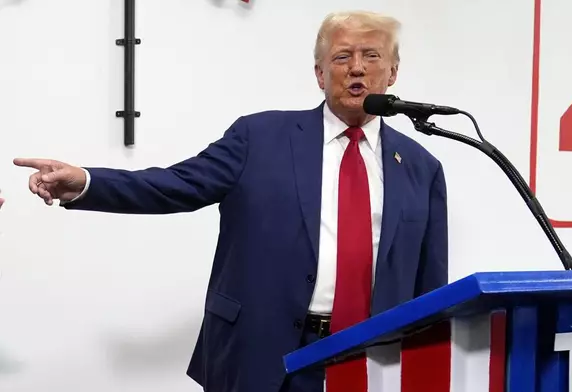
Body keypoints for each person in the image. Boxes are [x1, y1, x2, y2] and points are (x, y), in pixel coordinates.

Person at [13, 10, 448, 392]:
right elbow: (174, 185)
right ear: (319, 73)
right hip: (262, 355)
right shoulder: (258, 138)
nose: (356, 69)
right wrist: (86, 183)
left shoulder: (420, 167)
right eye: (341, 57)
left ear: (392, 72)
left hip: (372, 363)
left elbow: (431, 289)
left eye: (371, 56)